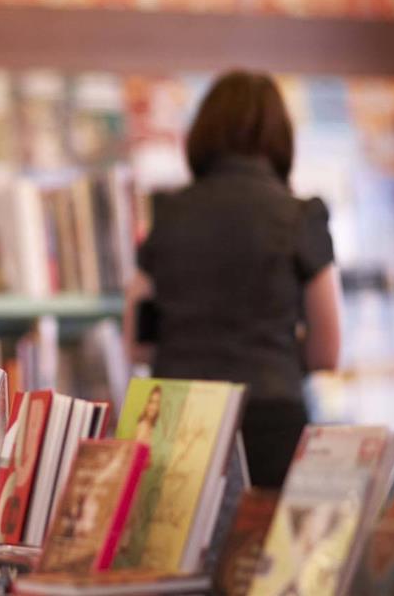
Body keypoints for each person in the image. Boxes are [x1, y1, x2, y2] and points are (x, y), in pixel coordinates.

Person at [123, 70, 342, 488]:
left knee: (174, 552)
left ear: (202, 133)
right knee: (265, 551)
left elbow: (137, 342)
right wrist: (269, 353)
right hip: (271, 422)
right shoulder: (301, 217)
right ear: (281, 137)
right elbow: (327, 350)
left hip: (176, 421)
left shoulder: (167, 215)